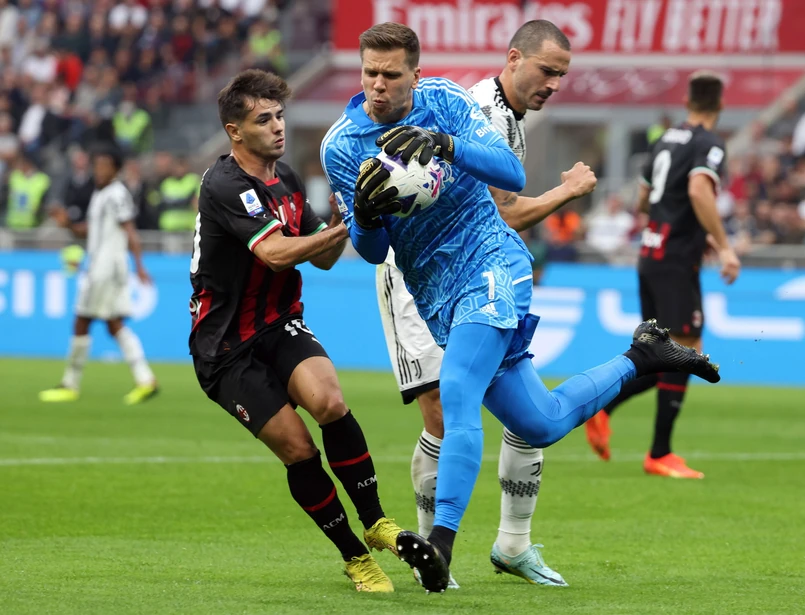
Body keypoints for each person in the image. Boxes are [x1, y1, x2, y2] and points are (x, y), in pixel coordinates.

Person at [320, 22, 721, 593]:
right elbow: (373, 249)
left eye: (391, 74)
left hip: (491, 260)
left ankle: (440, 547)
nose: (379, 85)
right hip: (433, 292)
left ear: (415, 73)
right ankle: (643, 356)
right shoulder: (340, 146)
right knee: (541, 421)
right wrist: (363, 214)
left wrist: (445, 144)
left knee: (456, 391)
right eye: (370, 73)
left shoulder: (446, 102)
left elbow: (511, 175)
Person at [373, 20, 598, 589]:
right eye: (546, 71)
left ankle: (513, 543)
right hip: (420, 278)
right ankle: (432, 554)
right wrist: (567, 191)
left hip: (478, 276)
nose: (553, 84)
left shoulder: (510, 119)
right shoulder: (478, 112)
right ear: (514, 57)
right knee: (443, 412)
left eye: (561, 76)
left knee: (521, 408)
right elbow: (505, 211)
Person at [188, 69, 406, 593]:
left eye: (280, 115)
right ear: (234, 131)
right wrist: (338, 229)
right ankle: (355, 557)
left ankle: (375, 520)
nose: (278, 126)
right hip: (226, 348)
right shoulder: (225, 184)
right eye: (263, 120)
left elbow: (323, 258)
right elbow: (275, 253)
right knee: (300, 450)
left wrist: (353, 218)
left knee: (330, 401)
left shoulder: (285, 178)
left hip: (279, 322)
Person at [585, 72, 741, 479]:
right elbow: (698, 191)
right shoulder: (709, 143)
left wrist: (681, 229)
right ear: (720, 104)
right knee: (685, 349)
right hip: (675, 261)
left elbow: (643, 200)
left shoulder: (664, 139)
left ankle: (609, 412)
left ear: (688, 102)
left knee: (661, 351)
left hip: (651, 254)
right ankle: (658, 451)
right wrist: (723, 245)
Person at [39, 143, 158, 404]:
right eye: (97, 165)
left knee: (82, 320)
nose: (99, 170)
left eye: (105, 166)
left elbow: (129, 230)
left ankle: (70, 384)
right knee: (114, 325)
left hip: (106, 269)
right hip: (102, 267)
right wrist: (67, 223)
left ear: (116, 169)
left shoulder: (116, 194)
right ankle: (146, 379)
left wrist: (139, 266)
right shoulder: (100, 194)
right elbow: (90, 231)